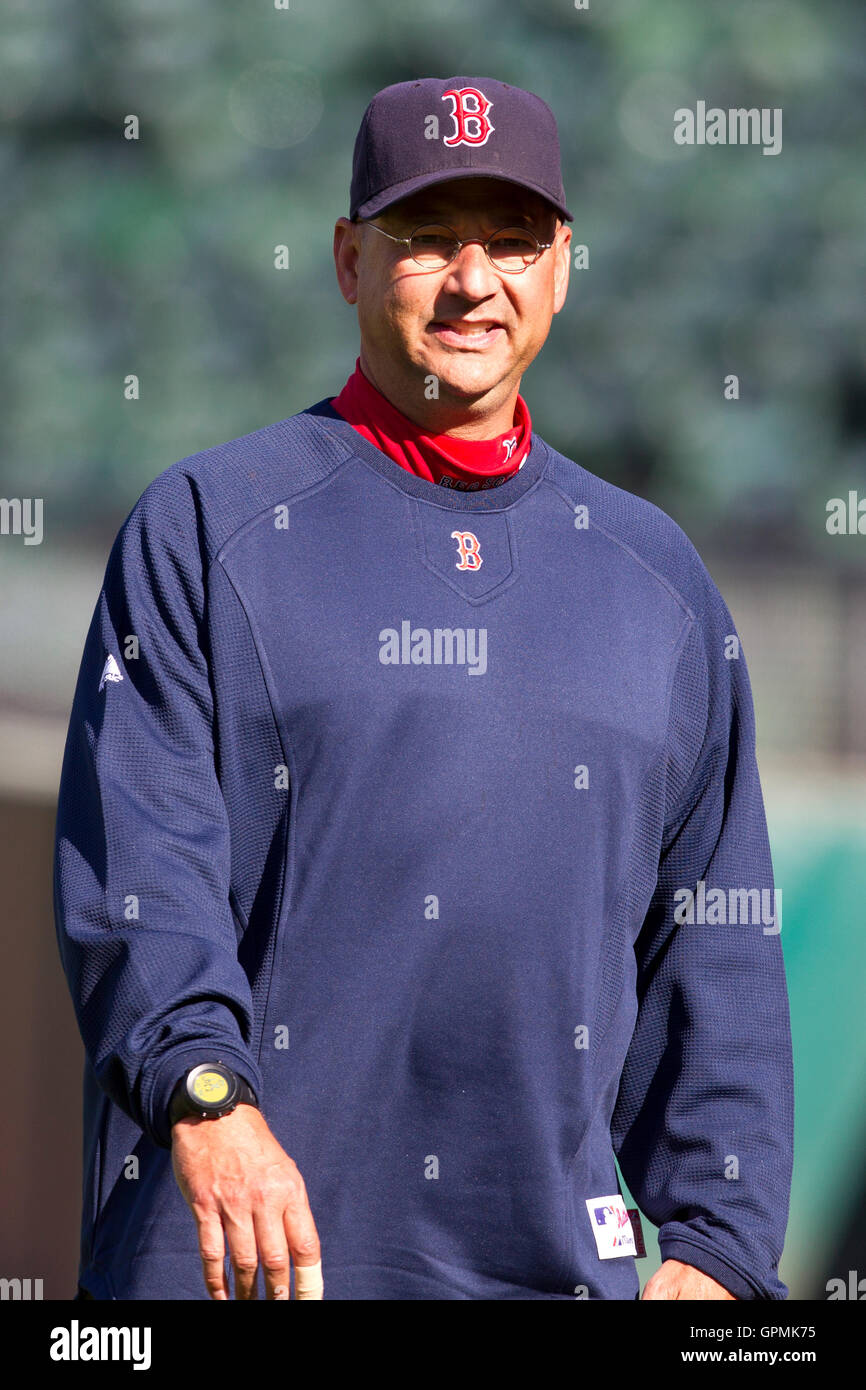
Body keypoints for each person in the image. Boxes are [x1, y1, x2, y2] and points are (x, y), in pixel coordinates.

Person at [54, 75, 793, 1301]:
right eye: (422, 240)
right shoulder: (208, 524)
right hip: (245, 1260)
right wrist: (206, 1099)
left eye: (510, 242)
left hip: (552, 1271)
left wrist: (717, 1245)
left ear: (561, 267)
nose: (471, 280)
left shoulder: (654, 577)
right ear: (348, 259)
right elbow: (143, 867)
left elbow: (710, 936)